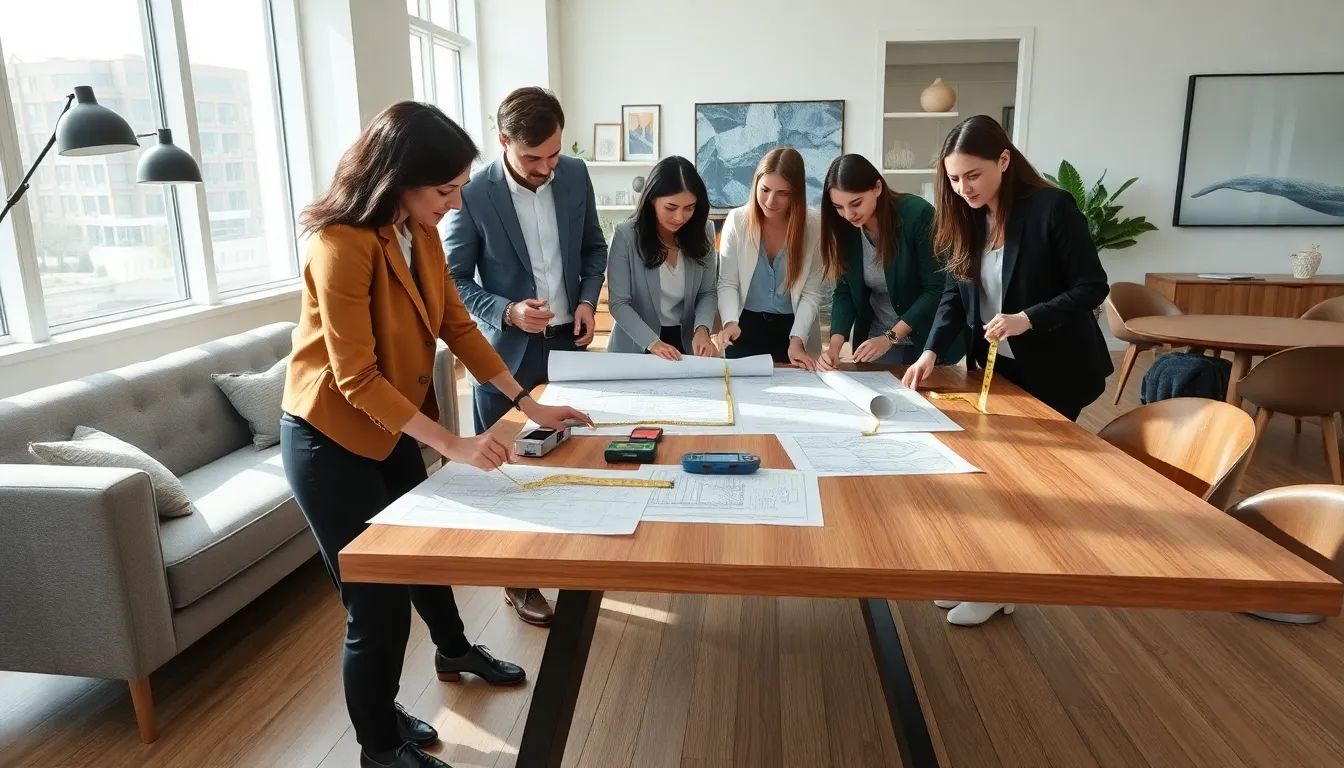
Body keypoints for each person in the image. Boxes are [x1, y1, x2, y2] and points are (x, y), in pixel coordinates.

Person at [280, 101, 592, 768]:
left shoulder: (416, 230)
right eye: (445, 190)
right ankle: (379, 747)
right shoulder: (339, 246)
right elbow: (356, 378)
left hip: (387, 429)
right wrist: (451, 444)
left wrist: (526, 403)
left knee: (421, 560)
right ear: (398, 178)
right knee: (376, 608)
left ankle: (453, 651)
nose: (455, 203)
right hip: (327, 441)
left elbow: (457, 325)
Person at [903, 114, 1113, 627]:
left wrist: (1028, 318)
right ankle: (991, 578)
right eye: (953, 179)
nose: (962, 188)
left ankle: (997, 583)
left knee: (1021, 482)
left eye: (972, 175)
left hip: (1058, 366)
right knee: (994, 474)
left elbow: (1092, 286)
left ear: (1003, 160)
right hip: (1000, 369)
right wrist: (930, 352)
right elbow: (955, 294)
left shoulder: (1051, 208)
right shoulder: (966, 218)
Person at [445, 86, 607, 627]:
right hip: (504, 354)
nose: (546, 167)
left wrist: (586, 299)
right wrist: (507, 311)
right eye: (532, 158)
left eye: (553, 155)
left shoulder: (576, 175)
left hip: (568, 342)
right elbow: (453, 280)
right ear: (503, 142)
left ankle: (577, 558)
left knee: (571, 455)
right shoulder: (472, 192)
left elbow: (593, 247)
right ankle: (518, 580)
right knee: (507, 466)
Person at [816, 154, 963, 371]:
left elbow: (936, 290)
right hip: (876, 343)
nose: (848, 214)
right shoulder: (845, 228)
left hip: (926, 342)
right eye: (838, 207)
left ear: (877, 188)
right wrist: (834, 347)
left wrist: (889, 338)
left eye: (856, 203)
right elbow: (844, 291)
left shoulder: (918, 215)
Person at [716, 147, 825, 368]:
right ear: (755, 184)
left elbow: (811, 294)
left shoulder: (814, 225)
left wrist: (797, 340)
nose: (770, 201)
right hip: (742, 328)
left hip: (794, 332)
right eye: (764, 189)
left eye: (782, 193)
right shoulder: (737, 220)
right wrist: (729, 322)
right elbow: (727, 282)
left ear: (796, 193)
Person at [605, 156, 719, 359]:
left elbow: (707, 292)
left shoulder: (705, 231)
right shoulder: (626, 235)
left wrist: (702, 329)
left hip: (686, 342)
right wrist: (653, 343)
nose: (680, 218)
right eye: (671, 208)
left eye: (689, 208)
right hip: (637, 344)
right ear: (652, 200)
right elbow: (619, 303)